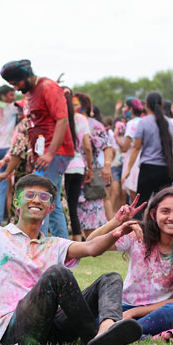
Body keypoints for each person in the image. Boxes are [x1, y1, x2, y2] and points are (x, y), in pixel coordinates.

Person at [0, 174, 142, 345]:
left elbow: (91, 247)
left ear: (50, 207)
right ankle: (92, 336)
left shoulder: (54, 244)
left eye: (43, 197)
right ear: (17, 202)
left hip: (51, 329)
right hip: (13, 330)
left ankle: (105, 332)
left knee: (111, 278)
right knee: (57, 273)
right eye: (30, 195)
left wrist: (115, 229)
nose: (36, 200)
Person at [88, 189, 173, 342]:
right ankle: (145, 337)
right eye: (165, 211)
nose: (171, 217)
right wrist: (117, 222)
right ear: (153, 215)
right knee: (97, 315)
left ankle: (120, 333)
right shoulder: (137, 234)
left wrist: (134, 313)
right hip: (123, 309)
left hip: (158, 312)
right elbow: (90, 243)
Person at [0, 59, 75, 238]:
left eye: (16, 83)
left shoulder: (48, 87)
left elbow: (62, 120)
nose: (16, 88)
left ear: (25, 76)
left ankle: (37, 247)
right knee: (51, 201)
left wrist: (50, 153)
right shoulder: (31, 93)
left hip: (55, 153)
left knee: (38, 200)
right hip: (43, 154)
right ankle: (61, 250)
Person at [122, 91, 173, 214]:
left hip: (148, 169)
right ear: (161, 105)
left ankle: (138, 231)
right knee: (163, 205)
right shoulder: (169, 123)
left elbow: (136, 147)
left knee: (140, 206)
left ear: (146, 105)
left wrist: (129, 169)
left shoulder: (143, 122)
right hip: (166, 169)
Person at [76, 98, 113, 237]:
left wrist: (107, 166)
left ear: (84, 107)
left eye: (76, 104)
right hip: (70, 172)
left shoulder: (95, 125)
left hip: (89, 174)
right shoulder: (65, 121)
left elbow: (107, 145)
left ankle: (95, 244)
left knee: (91, 210)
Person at [0, 85, 19, 226]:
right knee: (11, 190)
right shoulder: (12, 108)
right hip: (6, 150)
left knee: (0, 190)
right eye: (11, 94)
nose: (14, 97)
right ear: (4, 96)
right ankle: (13, 221)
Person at [65, 92, 93, 241]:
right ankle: (77, 240)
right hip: (79, 166)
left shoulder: (60, 118)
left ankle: (65, 240)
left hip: (63, 166)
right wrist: (89, 168)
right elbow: (87, 147)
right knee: (73, 206)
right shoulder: (82, 119)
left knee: (62, 206)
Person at [118, 98, 144, 199]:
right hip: (144, 157)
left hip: (133, 160)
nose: (123, 110)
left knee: (134, 193)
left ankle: (136, 215)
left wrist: (117, 139)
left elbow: (125, 147)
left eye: (125, 107)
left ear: (131, 109)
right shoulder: (144, 121)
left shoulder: (131, 124)